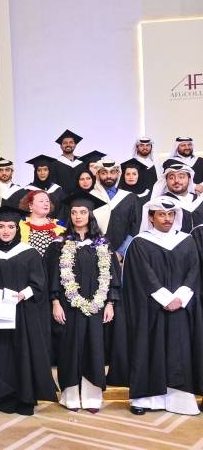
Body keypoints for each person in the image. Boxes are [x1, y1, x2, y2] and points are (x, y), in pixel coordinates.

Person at [124, 196, 202, 415]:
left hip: (181, 307)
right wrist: (166, 298)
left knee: (181, 351)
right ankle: (146, 400)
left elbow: (194, 270)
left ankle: (180, 401)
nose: (167, 219)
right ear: (151, 217)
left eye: (170, 214)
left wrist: (181, 296)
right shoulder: (140, 242)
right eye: (161, 214)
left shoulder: (186, 240)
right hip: (152, 308)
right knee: (148, 349)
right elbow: (143, 275)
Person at [0, 206, 57, 415]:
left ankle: (25, 396)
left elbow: (39, 282)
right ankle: (3, 395)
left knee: (23, 352)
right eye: (1, 226)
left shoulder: (28, 252)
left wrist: (24, 293)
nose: (6, 231)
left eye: (11, 227)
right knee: (1, 352)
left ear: (17, 228)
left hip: (23, 312)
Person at [45, 192, 120, 413]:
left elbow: (112, 276)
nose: (78, 216)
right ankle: (70, 396)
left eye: (83, 212)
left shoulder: (103, 245)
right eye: (74, 212)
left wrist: (110, 304)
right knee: (69, 349)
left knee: (94, 348)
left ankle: (91, 397)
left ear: (90, 215)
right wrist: (55, 302)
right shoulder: (58, 245)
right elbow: (52, 276)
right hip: (68, 307)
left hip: (96, 307)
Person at [88, 158, 141, 257]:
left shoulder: (130, 198)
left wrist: (121, 252)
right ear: (98, 175)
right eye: (104, 173)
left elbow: (135, 227)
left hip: (123, 255)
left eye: (112, 172)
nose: (109, 176)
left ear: (118, 174)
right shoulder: (89, 198)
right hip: (93, 253)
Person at [19, 190, 66, 257]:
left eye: (47, 201)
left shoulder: (59, 224)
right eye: (41, 201)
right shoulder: (20, 224)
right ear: (30, 205)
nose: (46, 204)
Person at [49, 130, 85, 195]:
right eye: (65, 143)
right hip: (61, 201)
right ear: (61, 146)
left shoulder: (83, 162)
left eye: (71, 142)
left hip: (81, 198)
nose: (68, 145)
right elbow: (52, 185)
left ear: (75, 145)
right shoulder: (53, 163)